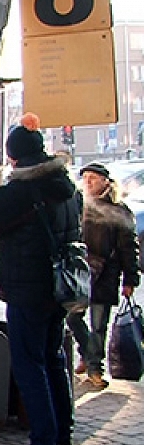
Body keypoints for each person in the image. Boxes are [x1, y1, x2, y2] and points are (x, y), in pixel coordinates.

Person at [0, 113, 78, 445]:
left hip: (28, 292)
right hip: (59, 290)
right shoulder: (66, 188)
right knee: (54, 360)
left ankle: (43, 444)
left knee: (30, 365)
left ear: (13, 157)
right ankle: (62, 438)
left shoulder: (22, 191)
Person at [67, 161, 140, 389]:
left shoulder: (118, 210)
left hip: (105, 275)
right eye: (85, 177)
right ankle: (87, 355)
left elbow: (129, 247)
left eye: (93, 178)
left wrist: (130, 279)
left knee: (99, 324)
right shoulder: (79, 205)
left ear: (106, 181)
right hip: (81, 272)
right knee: (73, 318)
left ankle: (94, 368)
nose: (88, 182)